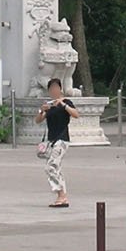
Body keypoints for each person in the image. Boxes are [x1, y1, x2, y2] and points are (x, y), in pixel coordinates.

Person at [36, 78, 78, 208]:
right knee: (56, 168)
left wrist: (63, 105)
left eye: (56, 88)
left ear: (60, 89)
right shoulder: (49, 104)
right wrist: (42, 110)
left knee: (51, 166)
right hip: (51, 140)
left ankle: (61, 194)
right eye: (51, 89)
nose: (54, 91)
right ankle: (63, 196)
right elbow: (38, 120)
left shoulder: (66, 102)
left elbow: (76, 114)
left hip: (62, 139)